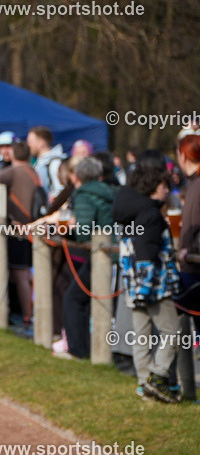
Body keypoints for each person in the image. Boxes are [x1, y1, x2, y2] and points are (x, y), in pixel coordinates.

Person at [112, 155, 182, 403]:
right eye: (165, 187)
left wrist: (138, 290)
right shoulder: (151, 215)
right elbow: (147, 255)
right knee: (173, 332)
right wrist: (146, 289)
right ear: (154, 188)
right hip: (154, 287)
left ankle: (145, 385)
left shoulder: (130, 212)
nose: (168, 191)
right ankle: (158, 376)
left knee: (141, 336)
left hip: (134, 285)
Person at [38, 157, 115, 359]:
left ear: (78, 175)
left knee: (72, 299)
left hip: (101, 254)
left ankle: (78, 350)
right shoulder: (107, 191)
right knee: (84, 299)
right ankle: (87, 348)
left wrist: (62, 231)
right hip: (110, 251)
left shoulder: (84, 194)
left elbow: (83, 232)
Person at [0, 141, 40, 338]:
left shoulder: (15, 171)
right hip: (28, 229)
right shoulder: (32, 171)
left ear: (12, 155)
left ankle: (28, 316)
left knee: (20, 275)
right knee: (23, 274)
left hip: (19, 230)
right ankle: (26, 314)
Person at [176, 134, 200, 336]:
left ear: (183, 156)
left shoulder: (197, 184)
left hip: (193, 264)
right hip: (190, 262)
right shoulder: (192, 183)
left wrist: (190, 249)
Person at [26, 126, 65, 199]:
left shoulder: (55, 163)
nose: (28, 146)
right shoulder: (39, 163)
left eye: (30, 142)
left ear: (41, 143)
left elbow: (61, 189)